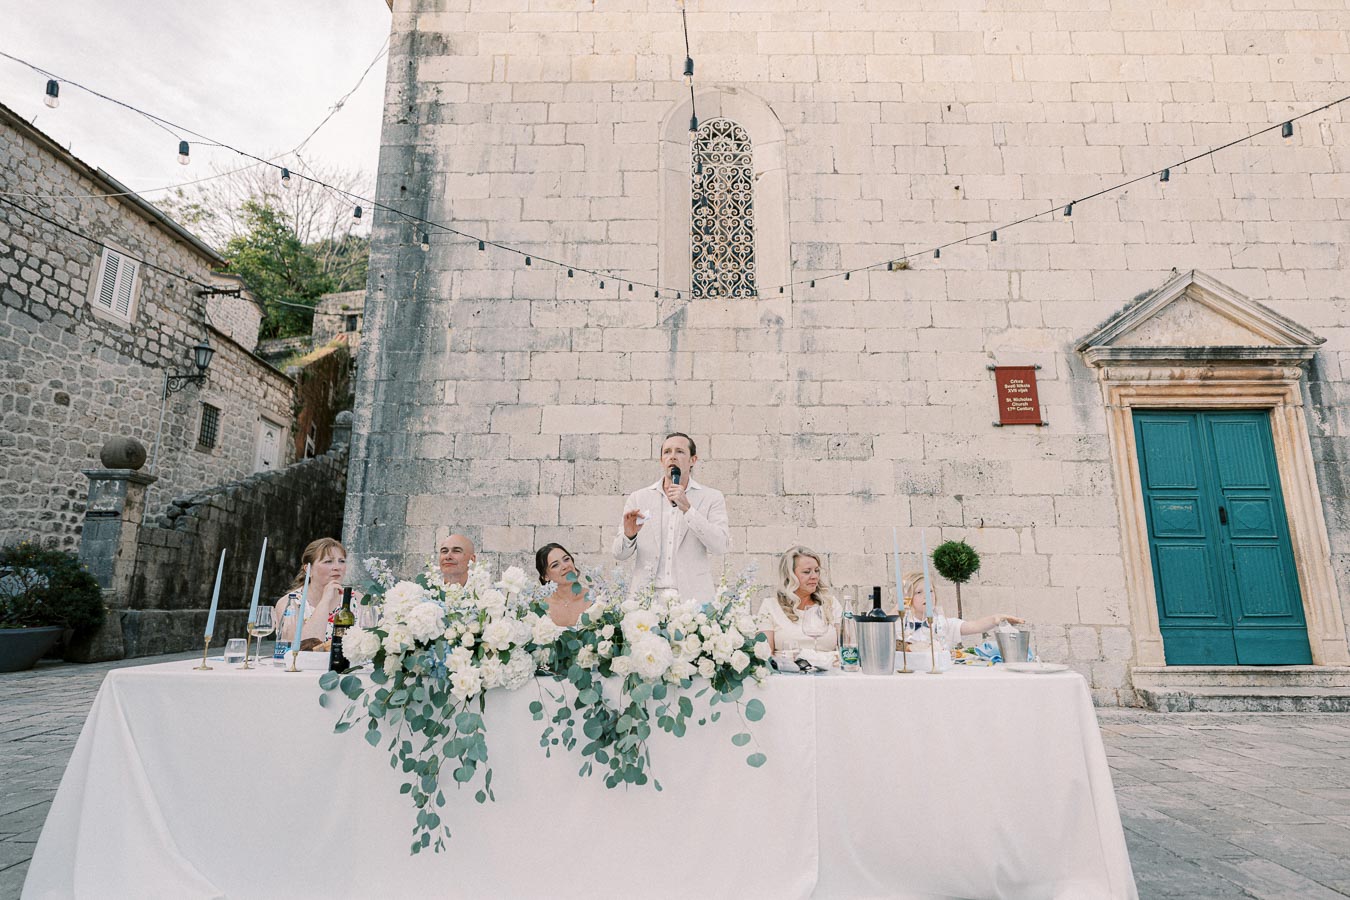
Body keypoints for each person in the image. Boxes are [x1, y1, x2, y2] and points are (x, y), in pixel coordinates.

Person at [612, 432, 729, 603]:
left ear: (693, 460)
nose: (672, 456)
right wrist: (629, 535)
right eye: (667, 452)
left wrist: (688, 509)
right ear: (661, 461)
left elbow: (720, 546)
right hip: (647, 600)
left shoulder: (711, 497)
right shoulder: (639, 498)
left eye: (680, 451)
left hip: (692, 600)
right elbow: (619, 554)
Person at [898, 570, 1024, 649]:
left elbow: (975, 626)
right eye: (919, 592)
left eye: (930, 591)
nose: (927, 596)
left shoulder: (943, 624)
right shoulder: (900, 625)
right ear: (907, 597)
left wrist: (995, 619)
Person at [760, 546, 842, 654]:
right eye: (807, 572)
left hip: (829, 669)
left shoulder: (831, 604)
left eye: (816, 571)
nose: (814, 576)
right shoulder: (770, 606)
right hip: (786, 669)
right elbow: (764, 656)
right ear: (789, 575)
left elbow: (847, 647)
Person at [273, 538, 351, 651]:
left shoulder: (357, 600)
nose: (337, 567)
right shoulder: (290, 603)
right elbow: (298, 650)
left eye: (342, 561)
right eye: (328, 561)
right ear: (307, 569)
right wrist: (325, 601)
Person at [535, 542, 592, 627]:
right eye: (555, 565)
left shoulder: (594, 599)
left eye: (566, 559)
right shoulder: (541, 608)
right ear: (546, 576)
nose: (565, 566)